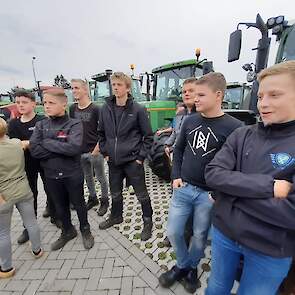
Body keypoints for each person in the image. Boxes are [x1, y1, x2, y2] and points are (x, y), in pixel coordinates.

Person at [205, 61, 295, 295]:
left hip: (270, 249)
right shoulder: (242, 134)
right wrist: (270, 186)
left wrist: (228, 195)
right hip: (225, 235)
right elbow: (213, 174)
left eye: (274, 95)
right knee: (215, 288)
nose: (263, 103)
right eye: (260, 95)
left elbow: (291, 212)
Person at [159, 73, 243, 293]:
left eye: (201, 95)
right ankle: (184, 265)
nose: (195, 99)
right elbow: (178, 150)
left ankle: (190, 268)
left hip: (208, 196)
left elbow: (236, 167)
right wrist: (175, 175)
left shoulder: (235, 128)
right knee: (174, 232)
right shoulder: (189, 120)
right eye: (194, 94)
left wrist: (217, 193)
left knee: (199, 237)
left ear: (218, 96)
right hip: (184, 188)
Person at [30, 88, 94, 251]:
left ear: (64, 104)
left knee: (79, 204)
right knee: (59, 206)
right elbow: (34, 150)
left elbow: (73, 148)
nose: (47, 106)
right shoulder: (41, 124)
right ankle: (67, 231)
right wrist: (59, 146)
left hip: (72, 173)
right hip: (51, 175)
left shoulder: (74, 123)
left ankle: (85, 230)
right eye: (44, 103)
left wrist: (46, 142)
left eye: (51, 103)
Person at [98, 72, 154, 241]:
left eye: (119, 85)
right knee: (115, 193)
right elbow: (101, 133)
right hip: (113, 162)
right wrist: (105, 152)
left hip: (132, 161)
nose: (115, 87)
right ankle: (116, 216)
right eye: (113, 85)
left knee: (141, 194)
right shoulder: (105, 108)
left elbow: (148, 137)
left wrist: (140, 158)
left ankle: (147, 221)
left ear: (127, 88)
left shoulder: (138, 109)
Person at [8, 90, 55, 245]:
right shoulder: (13, 124)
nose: (20, 105)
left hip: (44, 162)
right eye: (18, 102)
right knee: (30, 195)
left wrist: (28, 143)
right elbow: (14, 145)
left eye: (24, 102)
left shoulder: (42, 121)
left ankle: (55, 215)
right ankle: (28, 227)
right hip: (26, 164)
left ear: (33, 104)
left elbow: (47, 140)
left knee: (51, 189)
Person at [0, 118, 43, 279]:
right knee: (31, 222)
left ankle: (6, 268)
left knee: (3, 233)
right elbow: (29, 143)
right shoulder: (17, 143)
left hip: (3, 196)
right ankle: (37, 250)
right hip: (24, 190)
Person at [70, 79, 109, 215]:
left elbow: (104, 131)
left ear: (85, 90)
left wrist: (97, 148)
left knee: (100, 177)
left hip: (95, 151)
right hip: (80, 152)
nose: (74, 90)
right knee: (87, 177)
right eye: (72, 88)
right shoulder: (72, 109)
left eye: (77, 88)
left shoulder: (96, 109)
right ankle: (93, 198)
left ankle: (105, 200)